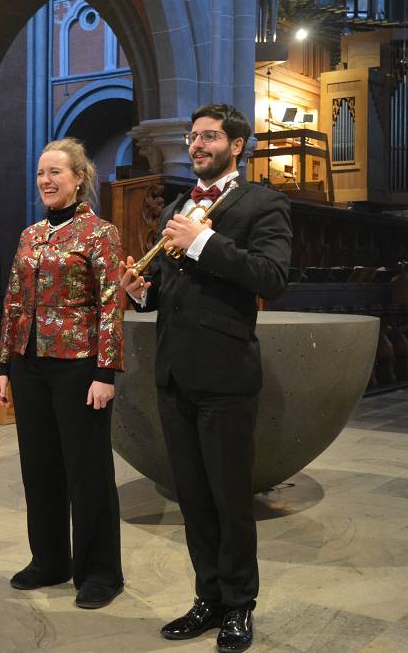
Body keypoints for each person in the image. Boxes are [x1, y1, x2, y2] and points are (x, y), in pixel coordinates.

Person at [119, 104, 292, 652]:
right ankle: (208, 598)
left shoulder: (264, 203)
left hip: (225, 374)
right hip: (175, 373)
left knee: (228, 497)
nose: (197, 145)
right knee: (192, 497)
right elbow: (177, 291)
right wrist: (141, 292)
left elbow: (272, 277)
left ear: (237, 145)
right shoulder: (179, 203)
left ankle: (240, 606)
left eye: (210, 137)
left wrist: (201, 241)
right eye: (193, 137)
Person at [0, 138, 125, 609]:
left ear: (78, 179)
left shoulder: (99, 233)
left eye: (56, 173)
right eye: (41, 173)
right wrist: (4, 365)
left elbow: (112, 305)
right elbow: (12, 301)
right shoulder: (30, 234)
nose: (46, 181)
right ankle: (49, 560)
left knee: (87, 472)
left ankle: (100, 573)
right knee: (40, 469)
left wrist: (106, 372)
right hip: (29, 366)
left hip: (79, 368)